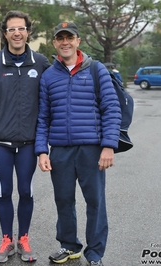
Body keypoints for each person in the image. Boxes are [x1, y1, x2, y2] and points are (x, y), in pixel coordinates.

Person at [35, 22, 122, 266]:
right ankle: (69, 246)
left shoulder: (96, 69)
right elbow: (43, 117)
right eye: (60, 38)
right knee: (63, 200)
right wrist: (42, 150)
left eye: (69, 37)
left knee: (95, 202)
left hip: (92, 150)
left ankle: (94, 255)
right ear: (54, 43)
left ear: (78, 41)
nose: (65, 42)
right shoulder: (49, 76)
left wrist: (108, 146)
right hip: (60, 150)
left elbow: (111, 108)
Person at [0, 10, 51, 263]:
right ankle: (6, 239)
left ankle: (23, 239)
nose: (17, 33)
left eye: (22, 28)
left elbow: (52, 95)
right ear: (5, 34)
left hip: (29, 143)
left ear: (28, 32)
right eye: (12, 29)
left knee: (26, 191)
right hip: (0, 142)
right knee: (4, 192)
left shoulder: (41, 63)